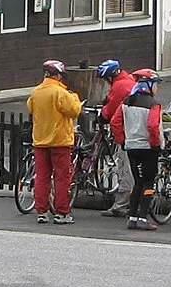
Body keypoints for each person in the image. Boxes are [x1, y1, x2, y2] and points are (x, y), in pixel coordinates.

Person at [28, 59, 84, 224]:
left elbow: (30, 107)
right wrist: (74, 96)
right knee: (61, 178)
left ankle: (42, 211)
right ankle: (62, 213)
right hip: (60, 141)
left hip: (40, 141)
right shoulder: (61, 93)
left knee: (42, 177)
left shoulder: (36, 92)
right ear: (58, 75)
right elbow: (73, 111)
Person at [119, 72, 165, 230]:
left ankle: (132, 217)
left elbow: (115, 122)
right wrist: (155, 144)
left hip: (131, 147)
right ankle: (143, 217)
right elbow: (153, 126)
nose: (157, 88)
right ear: (149, 86)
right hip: (147, 148)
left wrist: (123, 140)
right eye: (156, 84)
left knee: (138, 182)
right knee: (148, 182)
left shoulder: (127, 101)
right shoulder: (153, 103)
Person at [96, 58, 137, 216]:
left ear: (110, 77)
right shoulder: (128, 79)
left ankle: (121, 206)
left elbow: (111, 110)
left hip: (127, 133)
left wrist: (102, 115)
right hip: (137, 132)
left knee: (124, 168)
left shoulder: (120, 86)